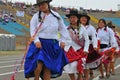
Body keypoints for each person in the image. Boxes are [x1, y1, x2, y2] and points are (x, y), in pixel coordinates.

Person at [24, 0, 69, 80]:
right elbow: (33, 30)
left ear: (48, 4)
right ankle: (36, 78)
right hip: (39, 44)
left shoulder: (56, 16)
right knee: (38, 65)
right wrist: (36, 41)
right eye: (39, 5)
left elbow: (63, 30)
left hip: (52, 44)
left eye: (43, 4)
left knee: (48, 67)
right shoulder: (36, 16)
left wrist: (63, 41)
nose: (42, 6)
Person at [64, 10, 89, 80]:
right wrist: (61, 44)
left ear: (77, 18)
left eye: (74, 17)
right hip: (68, 50)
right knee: (68, 66)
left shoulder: (82, 28)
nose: (72, 19)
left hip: (78, 50)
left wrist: (86, 49)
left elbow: (87, 40)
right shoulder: (66, 28)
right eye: (71, 18)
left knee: (78, 65)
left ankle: (80, 77)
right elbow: (62, 38)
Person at [79, 13, 102, 80]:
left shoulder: (91, 28)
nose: (83, 19)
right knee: (78, 63)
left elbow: (94, 37)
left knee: (86, 64)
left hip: (89, 47)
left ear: (87, 19)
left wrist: (95, 46)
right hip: (79, 47)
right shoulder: (78, 27)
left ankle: (86, 77)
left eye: (85, 18)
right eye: (82, 18)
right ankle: (80, 76)